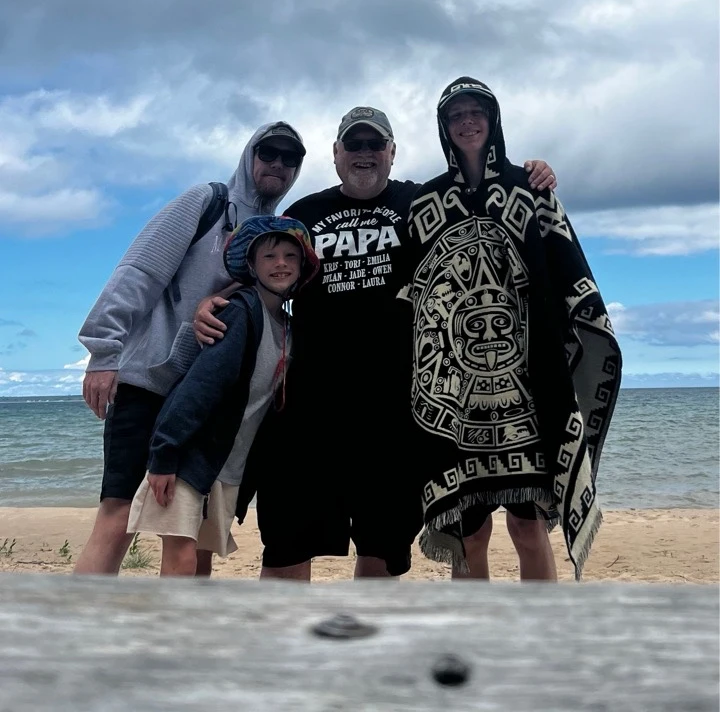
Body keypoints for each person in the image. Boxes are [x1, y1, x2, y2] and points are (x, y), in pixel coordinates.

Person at [194, 105, 557, 580]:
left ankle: (367, 652)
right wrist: (212, 302)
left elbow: (482, 211)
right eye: (354, 145)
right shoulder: (304, 214)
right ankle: (280, 649)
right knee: (286, 546)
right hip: (308, 412)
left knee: (381, 551)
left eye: (374, 145)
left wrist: (526, 174)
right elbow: (268, 274)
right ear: (336, 154)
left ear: (391, 152)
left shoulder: (422, 204)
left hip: (395, 417)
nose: (364, 154)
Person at [399, 78, 622, 580]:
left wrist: (581, 335)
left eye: (476, 111)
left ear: (493, 119)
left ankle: (540, 637)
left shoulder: (530, 186)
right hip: (458, 397)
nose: (467, 122)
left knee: (528, 528)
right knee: (469, 533)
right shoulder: (424, 204)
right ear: (444, 127)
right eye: (456, 115)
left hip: (528, 386)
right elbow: (411, 300)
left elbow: (567, 266)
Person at [73, 121, 305, 576]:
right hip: (150, 380)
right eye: (268, 153)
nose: (277, 164)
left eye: (289, 158)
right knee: (119, 516)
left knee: (189, 531)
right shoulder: (207, 202)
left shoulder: (271, 237)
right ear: (249, 155)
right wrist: (104, 351)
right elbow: (141, 270)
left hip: (203, 400)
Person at [126, 216, 319, 576]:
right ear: (250, 265)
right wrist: (164, 453)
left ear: (303, 265)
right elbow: (200, 386)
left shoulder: (288, 329)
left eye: (291, 256)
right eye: (269, 256)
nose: (280, 263)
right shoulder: (239, 312)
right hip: (190, 454)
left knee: (202, 560)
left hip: (227, 464)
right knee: (181, 557)